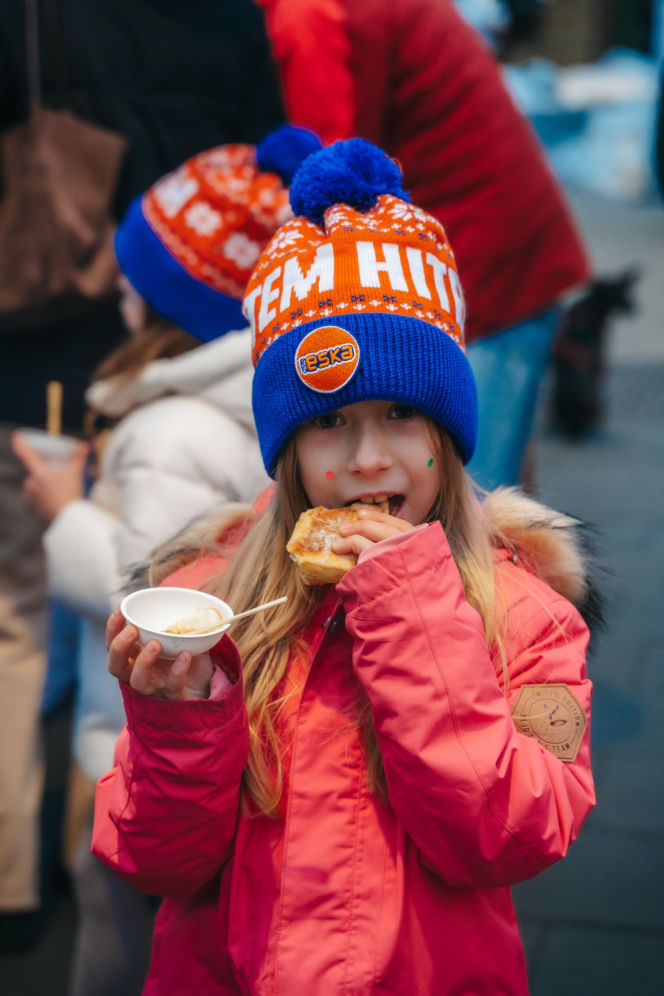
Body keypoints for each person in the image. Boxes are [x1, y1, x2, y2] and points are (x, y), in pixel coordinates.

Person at [92, 139, 595, 994]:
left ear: (447, 435)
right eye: (330, 423)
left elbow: (516, 834)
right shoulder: (211, 599)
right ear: (287, 453)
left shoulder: (526, 614)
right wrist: (175, 720)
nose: (368, 459)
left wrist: (414, 611)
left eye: (402, 413)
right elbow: (156, 862)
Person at [0, 0, 287, 946]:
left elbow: (141, 591)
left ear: (158, 300)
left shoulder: (162, 433)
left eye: (133, 280)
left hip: (147, 738)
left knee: (121, 937)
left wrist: (62, 513)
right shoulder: (265, 402)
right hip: (216, 741)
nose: (118, 287)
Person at [256, 0, 591, 489]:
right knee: (485, 495)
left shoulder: (309, 16)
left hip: (481, 260)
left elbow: (324, 174)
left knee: (468, 500)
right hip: (496, 240)